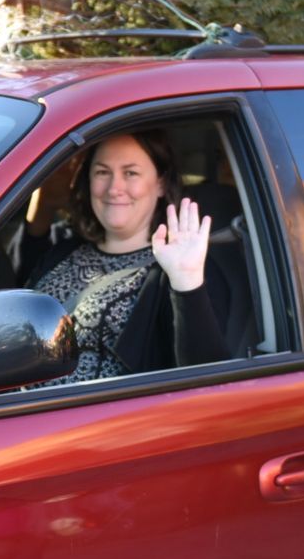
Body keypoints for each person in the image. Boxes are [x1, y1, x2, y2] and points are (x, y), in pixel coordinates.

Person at [25, 130, 233, 386]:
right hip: (12, 415)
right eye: (102, 172)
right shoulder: (63, 251)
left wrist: (186, 281)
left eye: (130, 173)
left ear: (160, 184)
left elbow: (207, 384)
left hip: (101, 423)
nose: (114, 188)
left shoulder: (181, 268)